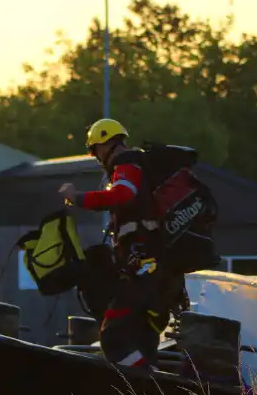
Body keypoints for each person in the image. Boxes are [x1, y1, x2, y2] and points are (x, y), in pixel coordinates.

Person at [57, 118, 188, 371]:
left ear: (104, 144)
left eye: (95, 150)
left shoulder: (126, 164)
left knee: (112, 338)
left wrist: (78, 198)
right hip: (157, 271)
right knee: (142, 340)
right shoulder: (142, 168)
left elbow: (123, 193)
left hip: (143, 270)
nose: (97, 157)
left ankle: (146, 386)